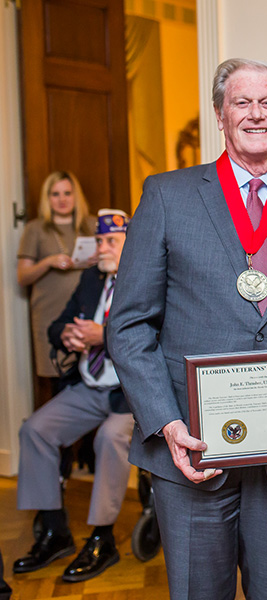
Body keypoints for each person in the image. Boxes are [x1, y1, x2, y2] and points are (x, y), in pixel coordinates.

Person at [106, 58, 267, 600]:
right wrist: (166, 422)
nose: (256, 114)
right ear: (220, 114)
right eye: (242, 102)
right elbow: (128, 324)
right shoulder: (167, 196)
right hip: (191, 447)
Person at [14, 209, 133, 583]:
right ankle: (55, 531)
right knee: (35, 429)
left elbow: (157, 338)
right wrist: (66, 334)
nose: (102, 248)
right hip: (89, 386)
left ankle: (102, 536)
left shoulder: (144, 279)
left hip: (128, 395)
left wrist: (105, 336)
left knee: (111, 438)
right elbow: (56, 326)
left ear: (131, 241)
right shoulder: (89, 279)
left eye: (110, 241)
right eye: (98, 241)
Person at [17, 171, 96, 396]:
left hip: (88, 312)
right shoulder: (36, 229)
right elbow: (22, 276)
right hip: (50, 313)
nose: (62, 199)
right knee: (58, 379)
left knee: (94, 372)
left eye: (67, 193)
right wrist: (48, 262)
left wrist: (98, 260)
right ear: (47, 198)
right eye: (55, 194)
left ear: (76, 196)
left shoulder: (91, 224)